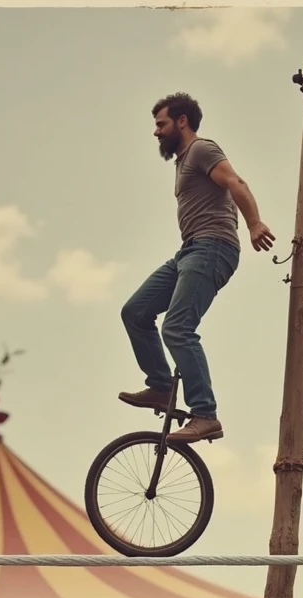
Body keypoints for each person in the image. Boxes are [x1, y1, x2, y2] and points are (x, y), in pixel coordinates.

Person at [119, 92, 275, 444]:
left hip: (213, 248)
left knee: (177, 328)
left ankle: (205, 414)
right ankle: (161, 387)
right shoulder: (182, 160)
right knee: (135, 311)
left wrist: (254, 223)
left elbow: (236, 183)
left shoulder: (202, 149)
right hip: (188, 251)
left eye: (161, 124)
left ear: (182, 121)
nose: (156, 132)